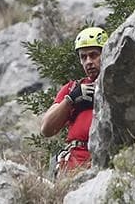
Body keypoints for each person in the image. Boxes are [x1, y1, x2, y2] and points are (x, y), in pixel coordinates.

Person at [40, 26, 108, 176]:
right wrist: (70, 100)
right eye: (83, 57)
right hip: (74, 165)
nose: (88, 62)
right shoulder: (72, 88)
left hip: (107, 160)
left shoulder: (119, 84)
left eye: (94, 55)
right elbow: (46, 129)